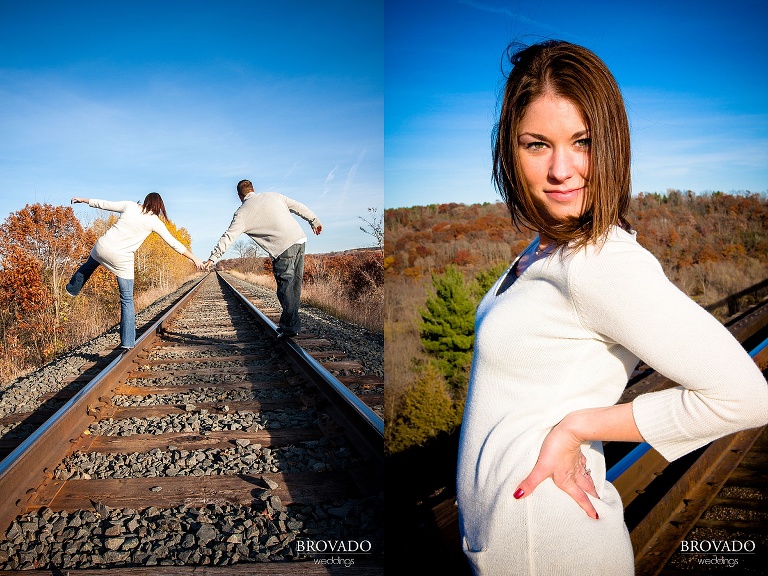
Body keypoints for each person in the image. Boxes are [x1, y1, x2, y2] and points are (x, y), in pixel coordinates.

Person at [456, 40, 768, 575]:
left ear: (613, 145)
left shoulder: (599, 262)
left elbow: (745, 396)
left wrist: (577, 426)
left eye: (583, 141)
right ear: (511, 150)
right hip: (518, 541)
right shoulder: (545, 249)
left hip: (549, 546)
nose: (562, 168)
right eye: (537, 145)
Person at [66, 193, 204, 350]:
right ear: (160, 207)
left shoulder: (130, 205)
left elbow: (104, 204)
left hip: (103, 247)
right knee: (126, 300)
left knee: (88, 266)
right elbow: (174, 243)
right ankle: (127, 342)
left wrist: (84, 200)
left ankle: (72, 289)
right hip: (122, 258)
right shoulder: (154, 221)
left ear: (146, 201)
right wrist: (194, 259)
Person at [204, 180, 322, 338]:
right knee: (295, 285)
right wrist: (314, 221)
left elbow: (228, 236)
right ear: (253, 189)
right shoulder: (274, 196)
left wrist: (213, 258)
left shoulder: (242, 213)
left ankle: (290, 327)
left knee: (285, 287)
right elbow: (298, 206)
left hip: (282, 247)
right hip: (299, 239)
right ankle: (291, 323)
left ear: (240, 196)